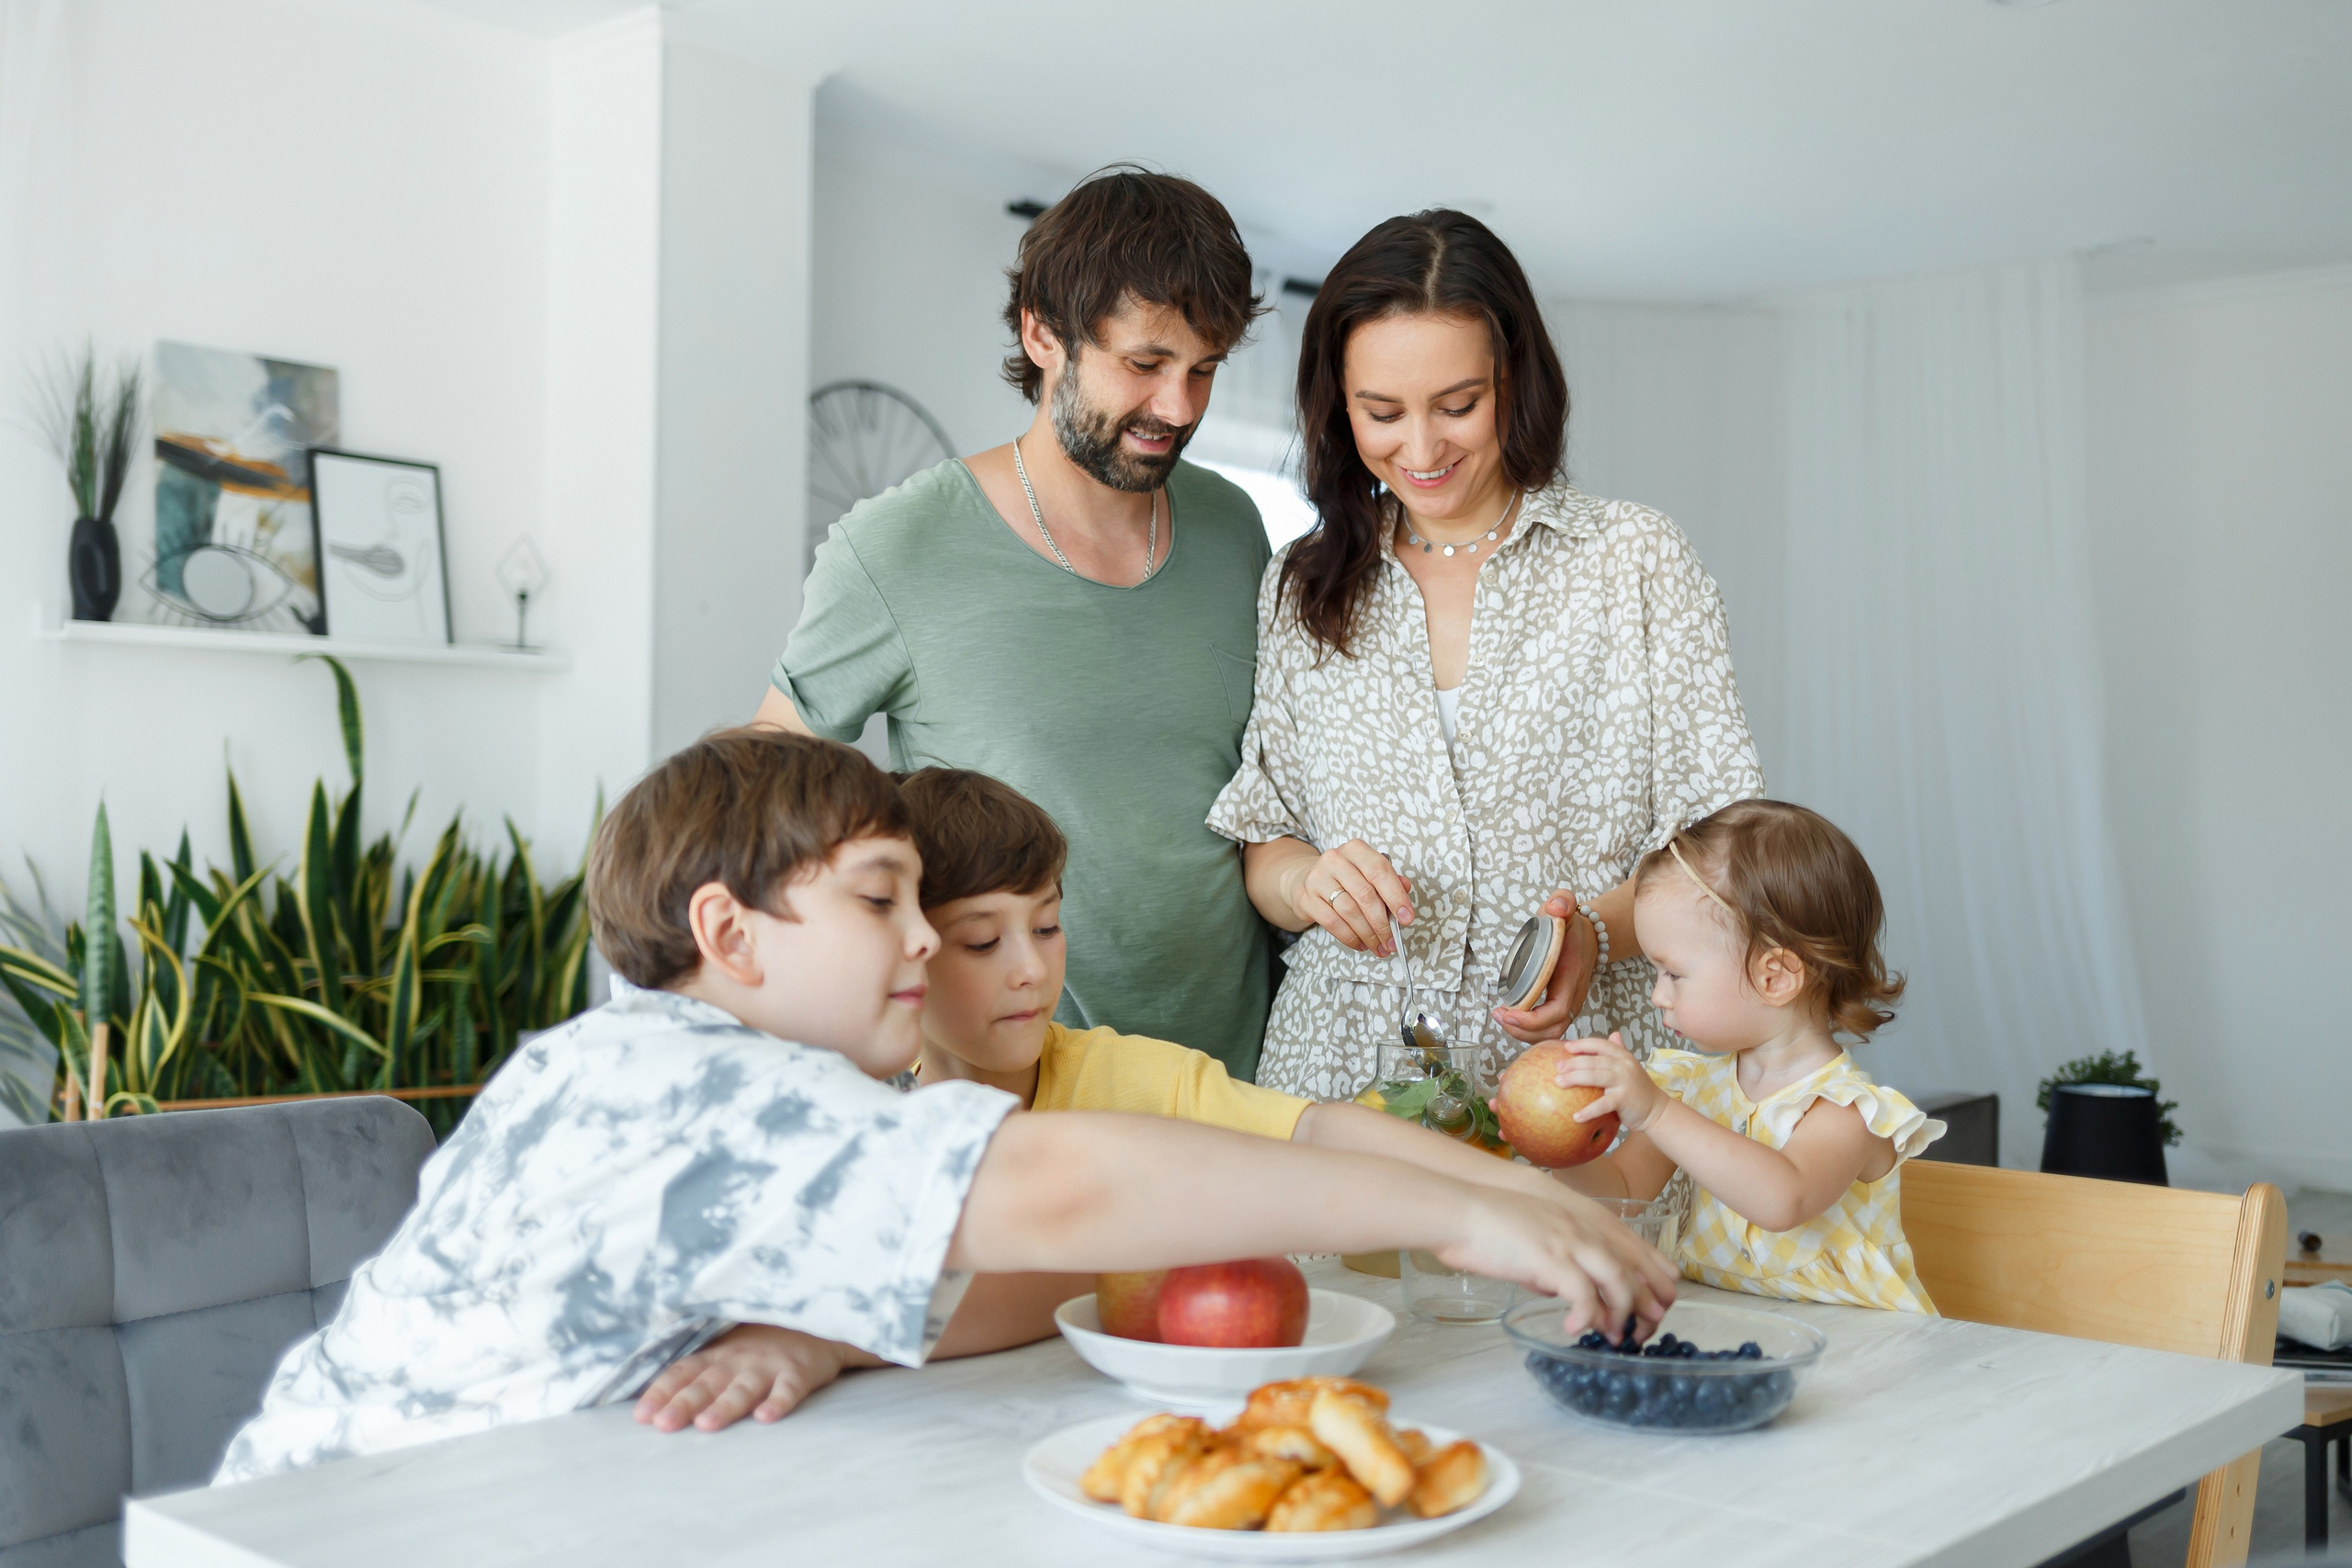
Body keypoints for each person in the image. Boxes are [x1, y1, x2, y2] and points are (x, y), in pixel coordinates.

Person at [218, 730, 1665, 1481]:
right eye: (881, 902)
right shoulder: (671, 1078)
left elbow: (984, 1250)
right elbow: (1054, 1191)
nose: (923, 942)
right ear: (729, 933)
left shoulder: (707, 1074)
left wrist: (827, 1330)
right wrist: (1467, 1205)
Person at [634, 768, 1675, 1434]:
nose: (1028, 972)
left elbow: (1320, 1132)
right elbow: (1053, 1218)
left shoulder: (1115, 1069)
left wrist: (1528, 1199)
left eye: (1046, 928)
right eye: (978, 941)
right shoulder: (836, 1097)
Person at [1207, 209, 1767, 1100]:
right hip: (1342, 1069)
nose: (1421, 450)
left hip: (1579, 1074)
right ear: (1334, 403)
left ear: (1516, 381)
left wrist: (1597, 932)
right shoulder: (1299, 586)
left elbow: (1726, 843)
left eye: (1458, 406)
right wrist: (1310, 881)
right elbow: (1263, 836)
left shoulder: (1632, 560)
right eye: (1380, 413)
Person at [756, 165, 1275, 1082]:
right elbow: (769, 791)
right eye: (1146, 364)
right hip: (1014, 1088)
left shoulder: (1234, 527)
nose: (1181, 408)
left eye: (1204, 371)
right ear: (1043, 333)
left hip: (1235, 1074)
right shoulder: (897, 547)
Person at [1544, 800, 1945, 1314]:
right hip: (1734, 1332)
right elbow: (1623, 1193)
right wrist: (1559, 1141)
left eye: (1673, 973)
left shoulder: (1848, 1113)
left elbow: (1783, 1199)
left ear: (1774, 976)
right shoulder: (1694, 1088)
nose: (1657, 996)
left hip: (1858, 1351)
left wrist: (1656, 1112)